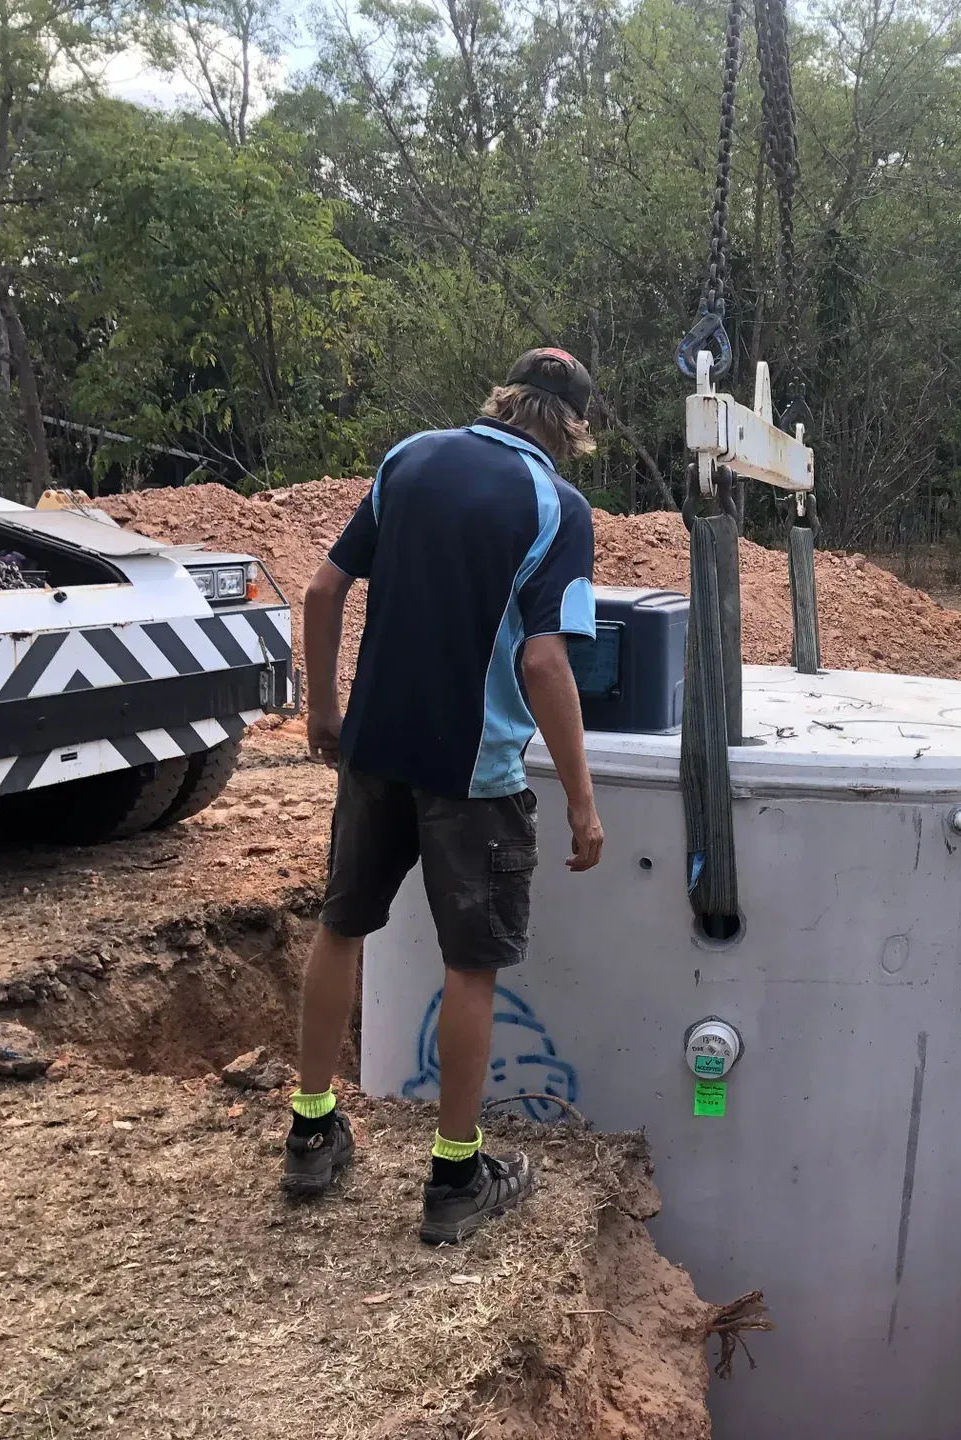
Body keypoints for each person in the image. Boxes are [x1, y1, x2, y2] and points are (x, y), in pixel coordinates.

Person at [282, 347, 607, 1244]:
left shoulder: (411, 458)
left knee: (341, 927)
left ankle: (311, 1133)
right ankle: (455, 1176)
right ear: (573, 428)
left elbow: (322, 588)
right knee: (471, 967)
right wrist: (583, 802)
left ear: (504, 397)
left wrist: (325, 711)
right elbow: (545, 663)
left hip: (375, 751)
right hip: (474, 775)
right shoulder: (558, 505)